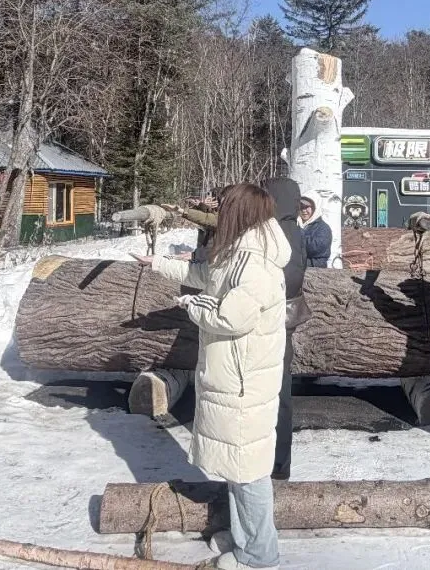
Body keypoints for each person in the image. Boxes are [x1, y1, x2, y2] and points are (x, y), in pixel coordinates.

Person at [133, 183, 289, 570]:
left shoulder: (256, 261)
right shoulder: (242, 247)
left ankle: (259, 555)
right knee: (239, 466)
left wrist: (192, 304)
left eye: (224, 205)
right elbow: (207, 274)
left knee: (249, 471)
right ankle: (246, 539)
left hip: (244, 381)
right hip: (237, 375)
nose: (217, 211)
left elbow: (229, 317)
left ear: (240, 211)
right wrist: (158, 264)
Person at [263, 177, 310, 482]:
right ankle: (280, 463)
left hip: (271, 320)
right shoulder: (295, 230)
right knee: (281, 391)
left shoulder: (273, 231)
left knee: (273, 392)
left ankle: (273, 462)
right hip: (286, 320)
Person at [298, 196, 332, 268]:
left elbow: (315, 248)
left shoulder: (323, 228)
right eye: (301, 207)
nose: (304, 210)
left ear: (314, 208)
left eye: (307, 207)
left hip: (315, 266)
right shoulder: (295, 224)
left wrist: (296, 236)